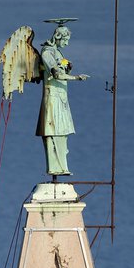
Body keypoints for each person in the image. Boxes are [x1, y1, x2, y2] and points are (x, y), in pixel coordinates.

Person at [35, 25, 89, 176]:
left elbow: (63, 66)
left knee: (63, 132)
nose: (67, 43)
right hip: (53, 97)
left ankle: (62, 166)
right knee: (53, 130)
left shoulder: (57, 52)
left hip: (61, 96)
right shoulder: (47, 52)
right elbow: (57, 74)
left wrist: (68, 66)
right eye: (65, 39)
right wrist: (77, 77)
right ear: (58, 37)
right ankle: (54, 166)